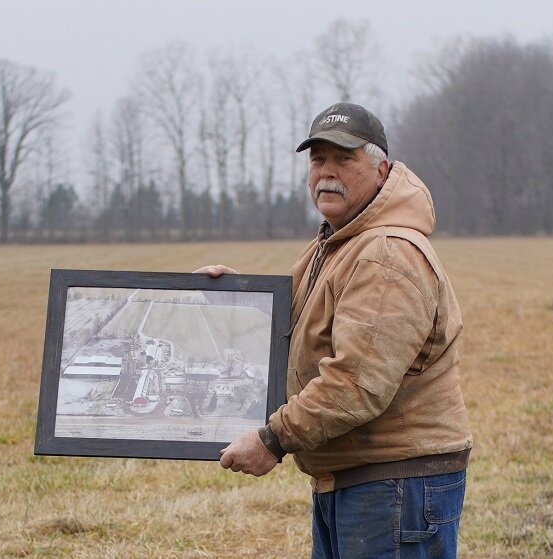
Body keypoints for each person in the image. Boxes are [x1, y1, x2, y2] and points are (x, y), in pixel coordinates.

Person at [201, 102, 472, 559]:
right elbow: (305, 324)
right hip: (360, 476)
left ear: (381, 170)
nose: (327, 172)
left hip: (394, 483)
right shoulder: (337, 242)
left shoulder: (386, 254)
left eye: (344, 159)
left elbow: (355, 383)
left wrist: (272, 440)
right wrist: (237, 298)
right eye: (317, 159)